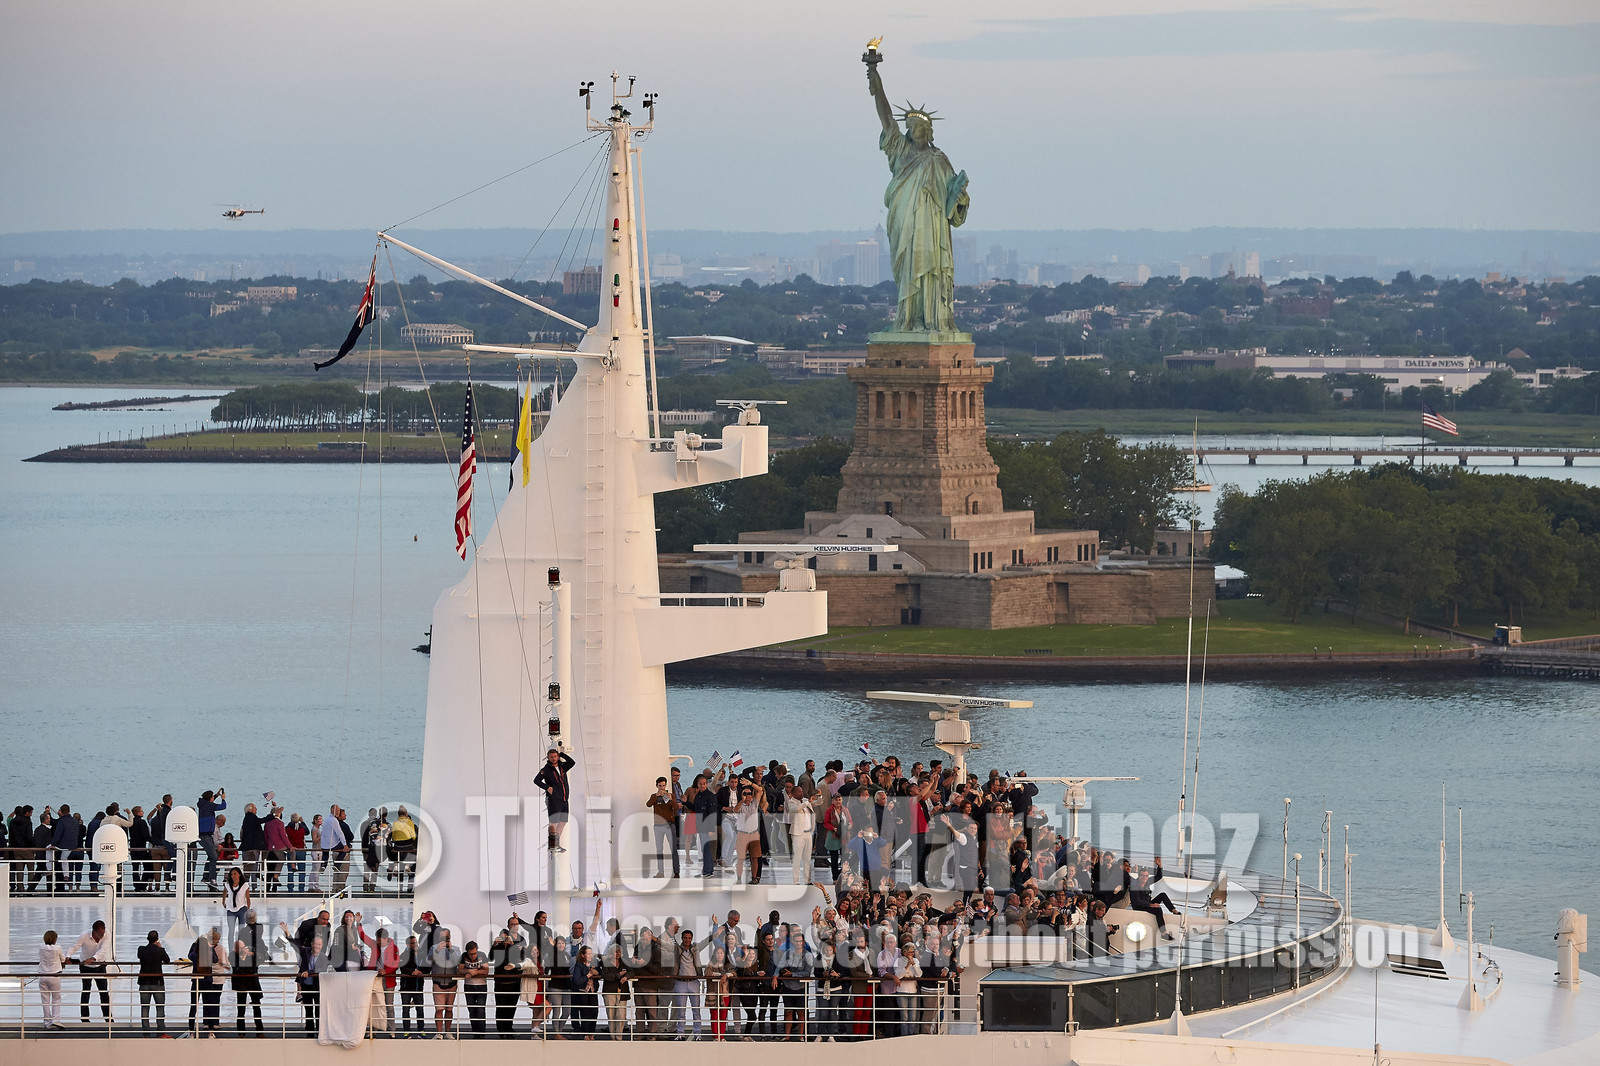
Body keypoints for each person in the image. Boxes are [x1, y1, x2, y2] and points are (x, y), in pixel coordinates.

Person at [67, 919, 113, 1023]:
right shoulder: (84, 935)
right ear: (94, 931)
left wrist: (93, 959)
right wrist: (68, 957)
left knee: (104, 993)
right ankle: (85, 1019)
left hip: (100, 965)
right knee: (86, 991)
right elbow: (75, 947)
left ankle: (109, 1019)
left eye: (103, 932)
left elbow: (103, 950)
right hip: (85, 967)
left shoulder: (107, 934)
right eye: (100, 933)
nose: (102, 935)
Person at [532, 747, 576, 852]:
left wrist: (562, 754)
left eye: (555, 756)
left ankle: (556, 843)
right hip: (554, 800)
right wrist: (548, 787)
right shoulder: (546, 769)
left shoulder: (562, 767)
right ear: (548, 758)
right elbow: (536, 780)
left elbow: (572, 762)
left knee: (563, 821)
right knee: (553, 822)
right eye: (551, 757)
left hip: (564, 799)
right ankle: (552, 844)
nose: (554, 758)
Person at [231, 912, 267, 1032]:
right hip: (247, 978)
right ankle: (243, 1031)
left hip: (250, 978)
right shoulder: (259, 929)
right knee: (242, 1007)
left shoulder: (244, 932)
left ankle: (259, 1029)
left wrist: (251, 954)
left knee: (254, 1005)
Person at [190, 927, 229, 1030]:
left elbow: (189, 955)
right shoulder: (211, 952)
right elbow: (216, 960)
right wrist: (210, 948)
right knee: (212, 1001)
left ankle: (196, 1027)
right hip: (210, 980)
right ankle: (212, 1026)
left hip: (198, 981)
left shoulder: (195, 954)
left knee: (196, 1004)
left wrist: (196, 943)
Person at [362, 925, 399, 1032]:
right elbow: (363, 937)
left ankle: (392, 1030)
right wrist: (359, 924)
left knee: (389, 1006)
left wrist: (386, 971)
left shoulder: (394, 948)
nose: (378, 942)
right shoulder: (375, 945)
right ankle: (373, 1030)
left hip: (389, 981)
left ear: (386, 938)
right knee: (374, 1005)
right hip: (375, 979)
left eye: (379, 940)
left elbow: (395, 964)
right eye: (377, 940)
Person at [647, 775, 681, 878]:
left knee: (673, 849)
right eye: (660, 786)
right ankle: (660, 871)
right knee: (659, 849)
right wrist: (656, 796)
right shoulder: (654, 796)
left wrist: (671, 800)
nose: (662, 788)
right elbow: (648, 804)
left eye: (663, 785)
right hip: (658, 826)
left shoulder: (670, 795)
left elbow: (676, 808)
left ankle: (676, 871)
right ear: (657, 786)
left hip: (669, 825)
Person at [430, 927, 462, 1036]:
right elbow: (429, 960)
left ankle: (448, 1032)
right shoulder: (434, 948)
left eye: (446, 937)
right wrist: (438, 949)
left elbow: (457, 961)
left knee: (449, 1009)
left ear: (450, 937)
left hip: (451, 983)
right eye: (442, 937)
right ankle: (439, 1033)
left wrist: (451, 949)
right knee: (439, 1009)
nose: (444, 939)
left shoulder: (456, 949)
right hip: (438, 982)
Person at [397, 934, 428, 1034]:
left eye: (416, 942)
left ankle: (421, 1030)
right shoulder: (403, 955)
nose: (415, 944)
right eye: (412, 943)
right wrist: (412, 972)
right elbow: (402, 967)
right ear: (407, 944)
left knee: (420, 1009)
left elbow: (426, 966)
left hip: (418, 986)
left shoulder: (422, 954)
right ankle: (406, 1030)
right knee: (406, 1010)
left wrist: (420, 971)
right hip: (406, 987)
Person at [787, 783, 816, 884]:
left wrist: (819, 796)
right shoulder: (791, 802)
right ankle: (796, 880)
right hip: (798, 833)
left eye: (801, 791)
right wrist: (807, 802)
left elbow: (818, 803)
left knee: (808, 858)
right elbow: (795, 809)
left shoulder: (805, 801)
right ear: (793, 793)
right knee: (797, 857)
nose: (801, 793)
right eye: (799, 792)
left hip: (808, 833)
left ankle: (807, 880)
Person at [296, 933, 326, 1032]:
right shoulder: (306, 952)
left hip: (317, 987)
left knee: (318, 1010)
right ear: (312, 944)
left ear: (322, 946)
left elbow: (322, 969)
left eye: (319, 944)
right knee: (308, 1010)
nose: (317, 946)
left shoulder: (323, 957)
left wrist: (308, 972)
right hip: (306, 986)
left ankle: (319, 1031)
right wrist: (287, 933)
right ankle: (309, 1032)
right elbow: (295, 944)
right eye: (315, 944)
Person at [196, 789, 226, 888]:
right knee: (214, 857)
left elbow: (209, 803)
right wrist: (223, 799)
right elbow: (223, 806)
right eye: (213, 797)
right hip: (205, 835)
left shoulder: (203, 804)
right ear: (210, 798)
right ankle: (212, 879)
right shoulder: (209, 806)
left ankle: (205, 877)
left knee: (211, 855)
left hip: (204, 835)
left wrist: (216, 795)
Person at [569, 945, 601, 1037]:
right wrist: (588, 975)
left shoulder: (595, 964)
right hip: (583, 992)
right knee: (585, 1012)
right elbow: (577, 980)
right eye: (589, 954)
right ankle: (586, 1033)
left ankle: (592, 1033)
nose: (591, 955)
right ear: (583, 955)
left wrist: (597, 973)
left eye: (591, 954)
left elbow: (601, 973)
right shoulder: (579, 965)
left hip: (593, 991)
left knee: (594, 1012)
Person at [460, 940, 490, 1036]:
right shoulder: (463, 956)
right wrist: (468, 971)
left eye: (475, 953)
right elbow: (459, 970)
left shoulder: (482, 955)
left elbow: (486, 971)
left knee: (480, 1010)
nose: (473, 956)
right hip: (469, 986)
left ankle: (481, 1034)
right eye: (471, 954)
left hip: (481, 986)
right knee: (472, 1010)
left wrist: (475, 972)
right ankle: (475, 1032)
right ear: (467, 952)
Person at [39, 930, 66, 1029]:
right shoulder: (58, 948)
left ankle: (47, 1021)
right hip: (54, 976)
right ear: (55, 939)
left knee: (45, 1000)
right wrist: (63, 963)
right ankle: (56, 1019)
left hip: (42, 976)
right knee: (56, 998)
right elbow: (62, 959)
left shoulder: (41, 947)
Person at [222, 867, 250, 945]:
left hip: (242, 909)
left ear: (239, 875)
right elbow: (224, 892)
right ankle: (231, 948)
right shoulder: (228, 884)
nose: (233, 876)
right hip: (231, 909)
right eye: (231, 874)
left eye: (235, 874)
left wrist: (248, 908)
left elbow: (248, 898)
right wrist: (223, 902)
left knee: (241, 930)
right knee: (231, 930)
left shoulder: (245, 885)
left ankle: (240, 947)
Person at [285, 812, 309, 892]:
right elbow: (307, 831)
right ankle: (301, 888)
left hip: (291, 850)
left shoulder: (288, 828)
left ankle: (290, 888)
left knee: (290, 870)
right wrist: (302, 822)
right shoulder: (302, 828)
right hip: (301, 850)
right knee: (302, 870)